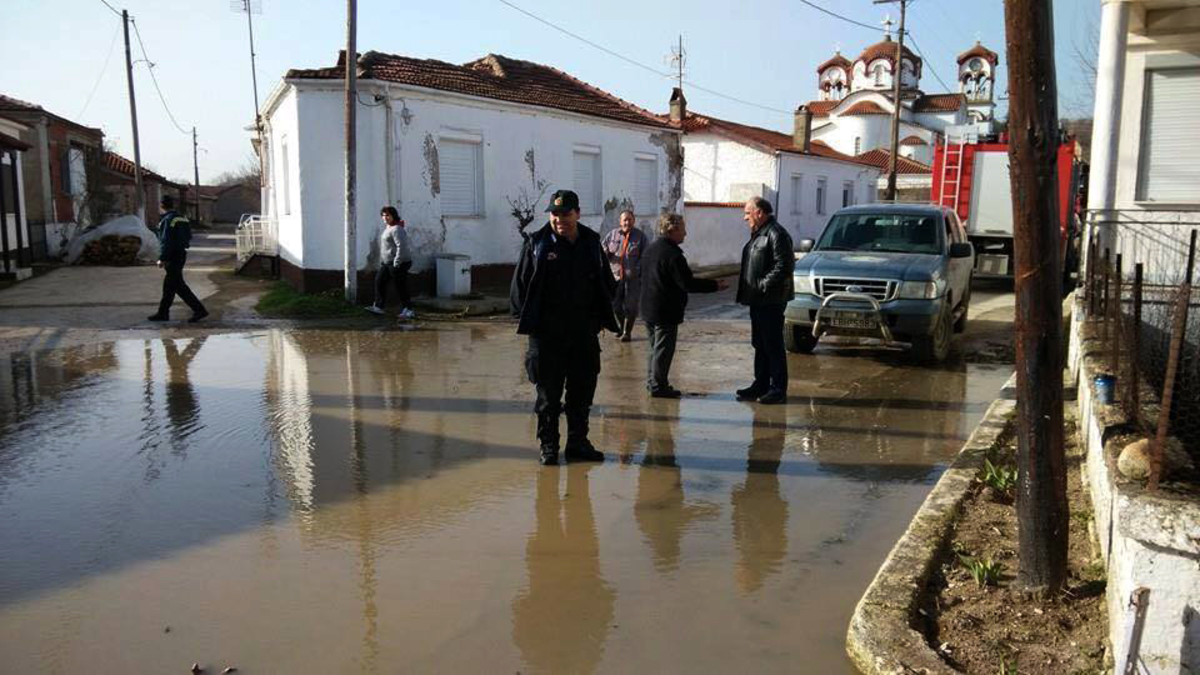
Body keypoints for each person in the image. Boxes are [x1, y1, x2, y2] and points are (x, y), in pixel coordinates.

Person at [510, 189, 619, 465]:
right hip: (547, 337)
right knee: (548, 396)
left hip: (582, 334)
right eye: (555, 214)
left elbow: (606, 284)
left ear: (577, 213)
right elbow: (519, 291)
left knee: (581, 393)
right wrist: (533, 325)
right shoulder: (536, 244)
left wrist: (599, 319)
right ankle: (548, 446)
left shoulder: (591, 243)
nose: (559, 219)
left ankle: (578, 443)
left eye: (565, 214)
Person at [639, 213, 726, 398]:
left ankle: (652, 382)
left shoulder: (651, 249)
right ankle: (658, 386)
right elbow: (687, 283)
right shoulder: (673, 255)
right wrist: (715, 285)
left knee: (654, 349)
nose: (685, 234)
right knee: (663, 350)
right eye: (683, 229)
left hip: (648, 309)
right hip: (665, 311)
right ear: (672, 230)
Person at [735, 197, 794, 405]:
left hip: (771, 300)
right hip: (757, 300)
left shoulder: (776, 234)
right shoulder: (758, 234)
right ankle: (760, 384)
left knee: (773, 344)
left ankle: (778, 389)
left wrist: (762, 284)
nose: (745, 218)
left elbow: (784, 266)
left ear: (759, 212)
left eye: (747, 213)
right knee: (759, 343)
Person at [148, 194, 207, 323]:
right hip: (180, 254)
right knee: (170, 285)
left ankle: (199, 310)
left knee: (178, 286)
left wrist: (163, 258)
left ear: (162, 206)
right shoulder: (182, 219)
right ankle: (163, 313)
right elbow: (188, 237)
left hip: (172, 256)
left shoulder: (167, 220)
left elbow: (166, 241)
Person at [600, 209, 646, 342]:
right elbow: (602, 252)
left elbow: (645, 256)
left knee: (631, 306)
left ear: (634, 221)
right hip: (615, 277)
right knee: (615, 306)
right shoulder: (612, 235)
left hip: (632, 278)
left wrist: (636, 269)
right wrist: (606, 253)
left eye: (630, 219)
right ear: (620, 222)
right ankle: (621, 326)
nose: (627, 222)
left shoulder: (640, 237)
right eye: (624, 220)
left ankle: (627, 332)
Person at [367, 206, 414, 319]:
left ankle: (409, 310)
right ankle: (378, 307)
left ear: (393, 215)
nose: (385, 217)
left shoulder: (397, 229)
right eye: (383, 215)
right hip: (387, 263)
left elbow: (401, 246)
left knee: (400, 286)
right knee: (379, 281)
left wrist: (397, 262)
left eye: (387, 215)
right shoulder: (389, 227)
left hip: (398, 262)